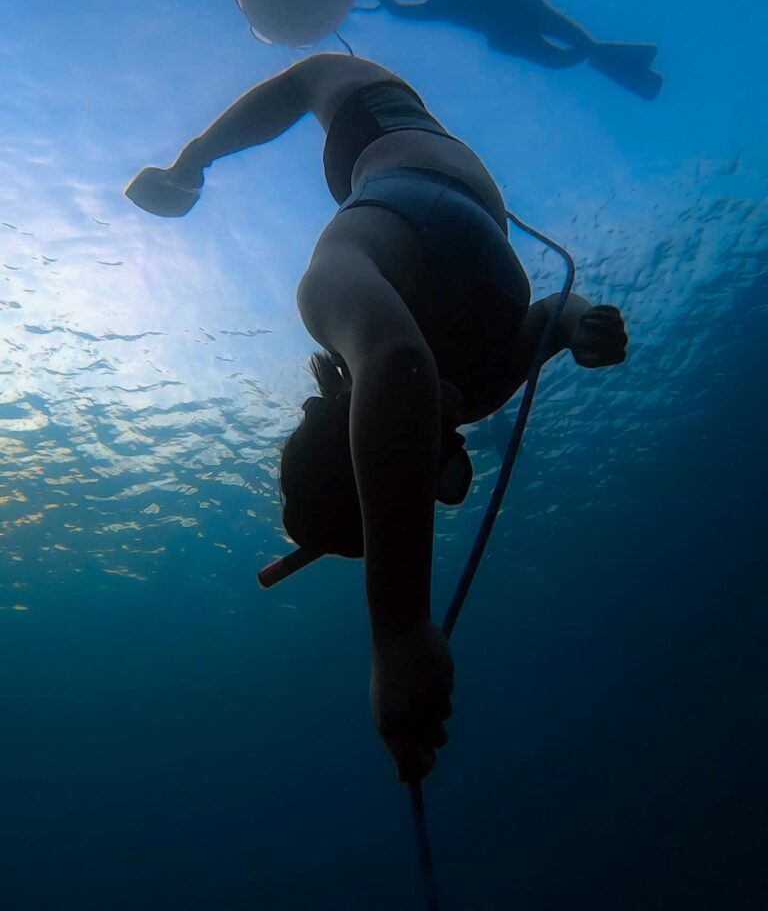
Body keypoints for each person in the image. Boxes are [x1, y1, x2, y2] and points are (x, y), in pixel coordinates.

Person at [125, 53, 628, 782]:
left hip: (393, 198)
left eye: (420, 458)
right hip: (421, 191)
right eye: (440, 470)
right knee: (319, 80)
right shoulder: (475, 384)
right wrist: (582, 328)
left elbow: (396, 367)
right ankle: (190, 166)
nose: (443, 445)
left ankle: (190, 164)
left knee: (316, 79)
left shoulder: (351, 300)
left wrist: (398, 631)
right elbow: (549, 315)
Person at [357, 0, 663, 101]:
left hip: (517, 10)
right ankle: (631, 71)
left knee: (579, 46)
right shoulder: (435, 6)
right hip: (509, 32)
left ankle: (630, 70)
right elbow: (397, 10)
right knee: (565, 57)